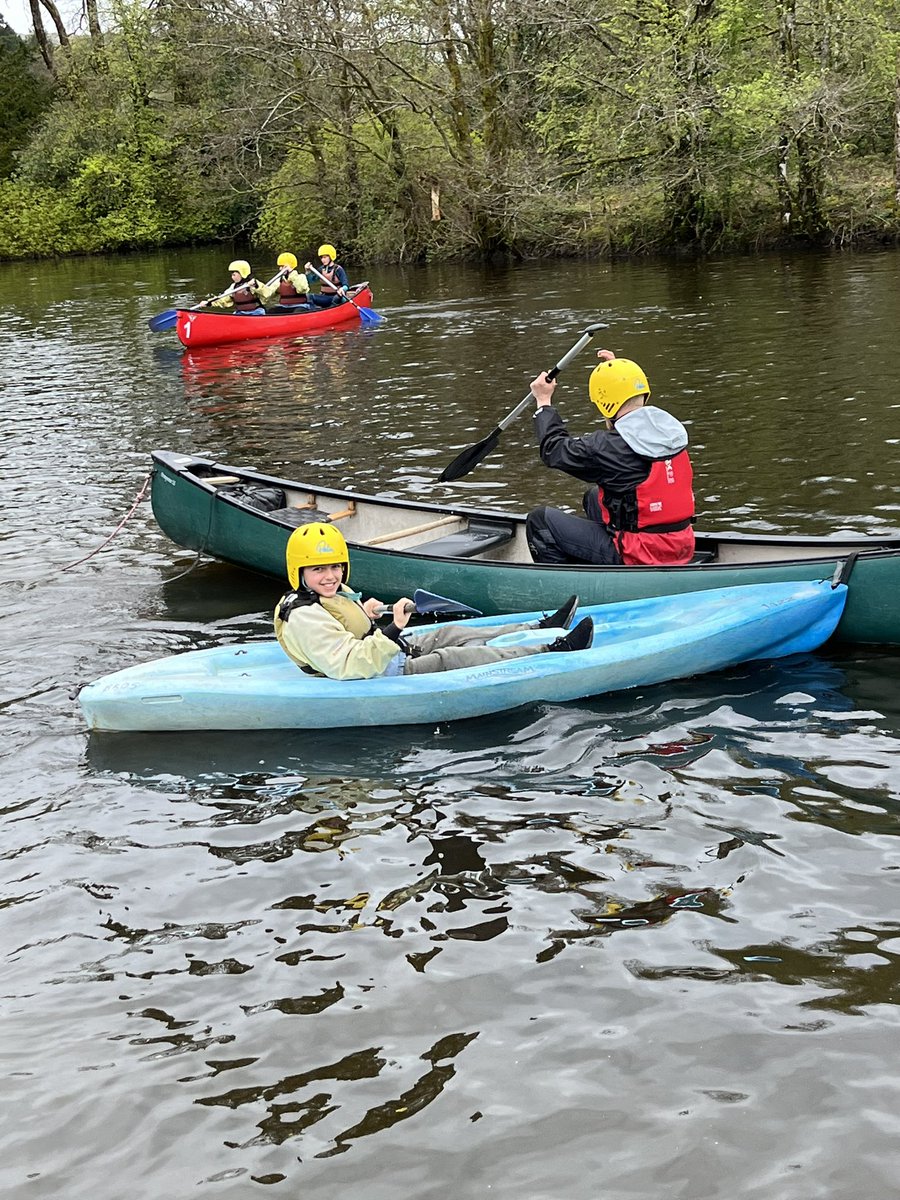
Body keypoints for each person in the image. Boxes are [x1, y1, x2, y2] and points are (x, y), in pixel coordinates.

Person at [274, 524, 593, 681]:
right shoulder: (303, 617)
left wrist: (369, 611)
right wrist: (394, 628)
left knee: (453, 631)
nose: (330, 576)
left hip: (385, 652)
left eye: (335, 566)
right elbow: (348, 662)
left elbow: (346, 622)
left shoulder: (324, 592)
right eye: (318, 569)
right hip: (377, 671)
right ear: (299, 571)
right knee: (464, 655)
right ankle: (554, 649)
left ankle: (541, 626)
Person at [525, 350, 695, 566]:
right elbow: (627, 413)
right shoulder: (668, 430)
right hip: (682, 544)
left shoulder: (607, 447)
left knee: (540, 520)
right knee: (595, 497)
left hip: (642, 553)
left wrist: (543, 402)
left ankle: (574, 587)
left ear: (605, 403)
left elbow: (554, 450)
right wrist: (616, 376)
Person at [303, 243, 350, 309]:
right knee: (308, 297)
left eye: (325, 257)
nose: (323, 260)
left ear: (331, 257)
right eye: (321, 258)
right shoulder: (321, 269)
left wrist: (342, 289)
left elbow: (346, 285)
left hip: (335, 298)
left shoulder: (338, 269)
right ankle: (314, 311)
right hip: (324, 297)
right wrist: (308, 272)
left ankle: (331, 311)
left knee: (337, 298)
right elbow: (311, 281)